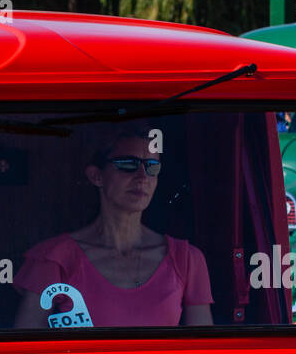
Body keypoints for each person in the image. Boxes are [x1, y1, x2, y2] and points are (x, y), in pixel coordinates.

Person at [13, 126, 213, 329]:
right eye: (128, 164)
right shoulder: (54, 259)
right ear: (96, 176)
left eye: (152, 167)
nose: (143, 177)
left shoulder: (187, 259)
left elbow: (205, 353)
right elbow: (24, 352)